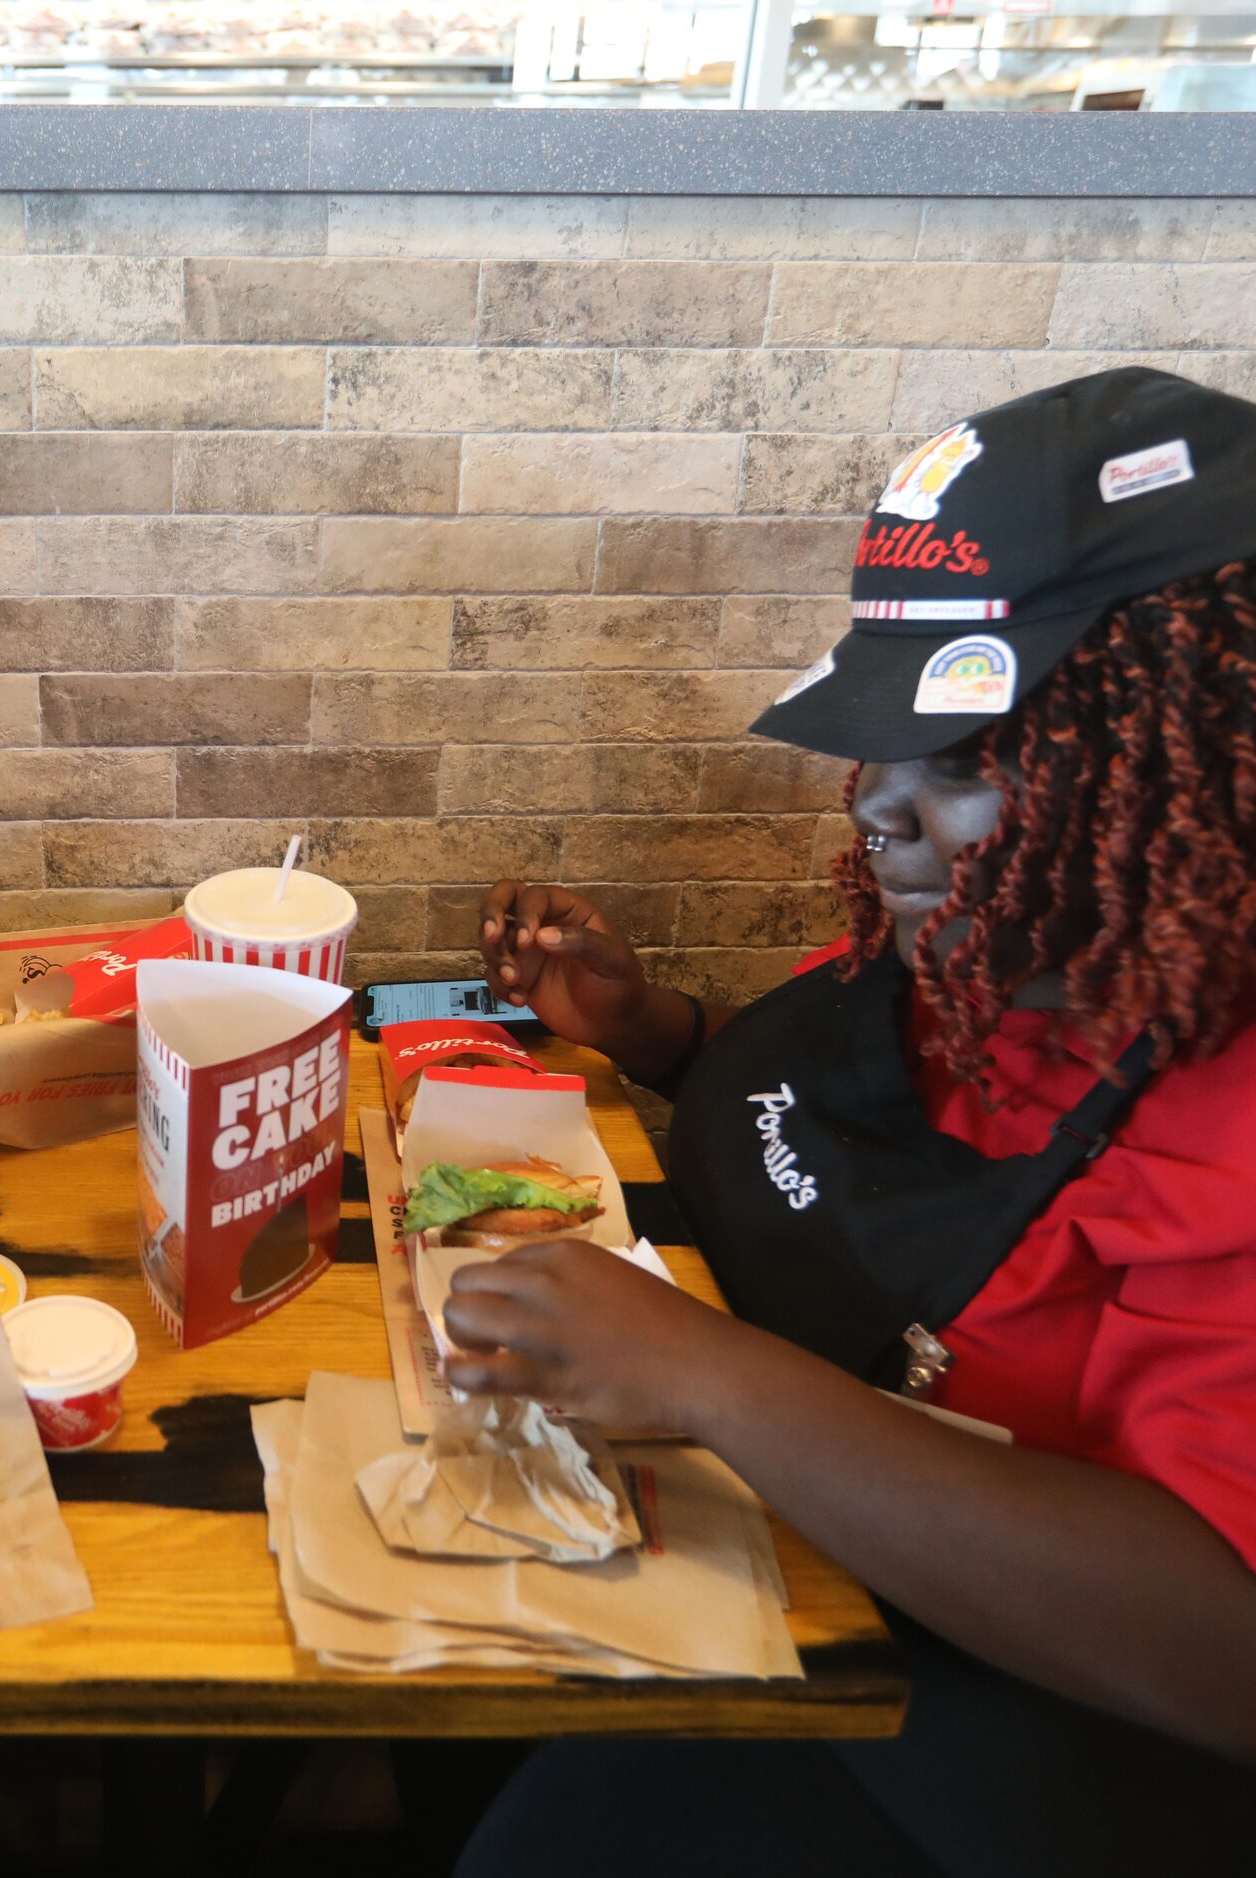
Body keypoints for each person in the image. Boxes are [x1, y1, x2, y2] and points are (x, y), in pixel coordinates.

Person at [445, 369, 1256, 1876]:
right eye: (887, 743)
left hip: (993, 1748)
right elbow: (858, 1162)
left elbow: (1226, 1652)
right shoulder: (1016, 936)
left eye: (958, 760)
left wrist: (708, 1375)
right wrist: (653, 1032)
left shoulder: (1225, 1104)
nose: (873, 804)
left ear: (1195, 769)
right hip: (712, 1560)